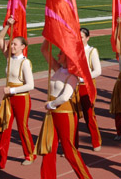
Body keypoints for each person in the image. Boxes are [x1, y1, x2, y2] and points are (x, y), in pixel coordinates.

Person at [39, 41, 93, 179]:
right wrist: (49, 38)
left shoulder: (73, 76)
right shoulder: (58, 69)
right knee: (48, 149)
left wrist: (51, 104)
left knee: (69, 151)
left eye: (61, 53)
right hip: (52, 114)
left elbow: (64, 97)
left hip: (64, 113)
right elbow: (44, 50)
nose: (58, 55)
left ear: (69, 57)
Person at [0, 18, 35, 170]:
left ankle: (30, 154)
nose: (12, 45)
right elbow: (0, 38)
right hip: (8, 98)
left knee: (22, 128)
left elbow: (31, 85)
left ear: (23, 47)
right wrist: (8, 26)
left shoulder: (25, 63)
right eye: (12, 43)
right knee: (4, 128)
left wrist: (12, 90)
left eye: (15, 43)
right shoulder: (9, 58)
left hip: (21, 98)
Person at [78, 27, 102, 151]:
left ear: (87, 38)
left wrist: (84, 78)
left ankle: (96, 141)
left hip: (86, 86)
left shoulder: (92, 51)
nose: (79, 39)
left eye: (81, 37)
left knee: (89, 114)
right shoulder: (73, 50)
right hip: (73, 86)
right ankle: (73, 145)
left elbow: (98, 70)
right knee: (73, 116)